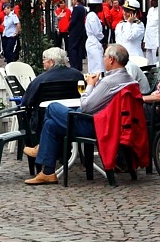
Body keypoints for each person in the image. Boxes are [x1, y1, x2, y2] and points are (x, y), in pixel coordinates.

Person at [24, 44, 136, 185]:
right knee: (51, 124)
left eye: (104, 57)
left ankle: (41, 150)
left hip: (96, 126)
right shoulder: (129, 79)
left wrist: (90, 85)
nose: (103, 59)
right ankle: (48, 172)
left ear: (112, 60)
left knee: (52, 108)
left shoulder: (108, 82)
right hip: (111, 124)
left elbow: (86, 106)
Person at [15, 47, 83, 107]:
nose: (43, 62)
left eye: (44, 59)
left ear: (51, 62)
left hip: (44, 117)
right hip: (73, 116)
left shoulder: (40, 79)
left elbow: (26, 101)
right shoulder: (77, 75)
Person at [85, 0, 105, 75]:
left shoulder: (93, 15)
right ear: (96, 6)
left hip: (94, 41)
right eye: (100, 5)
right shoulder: (92, 16)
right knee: (97, 65)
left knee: (96, 64)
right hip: (94, 42)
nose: (102, 7)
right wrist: (103, 39)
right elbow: (96, 31)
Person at [67, 0, 87, 72]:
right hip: (81, 30)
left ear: (75, 0)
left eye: (73, 0)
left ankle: (74, 65)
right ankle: (79, 65)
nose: (72, 1)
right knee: (79, 48)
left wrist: (69, 27)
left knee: (72, 48)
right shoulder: (83, 8)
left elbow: (73, 20)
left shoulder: (76, 8)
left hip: (75, 31)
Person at [143, 0, 160, 66]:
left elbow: (159, 28)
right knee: (148, 61)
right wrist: (144, 40)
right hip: (148, 39)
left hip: (155, 40)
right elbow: (148, 26)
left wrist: (158, 44)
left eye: (153, 0)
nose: (151, 2)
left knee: (156, 61)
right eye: (150, 0)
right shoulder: (150, 10)